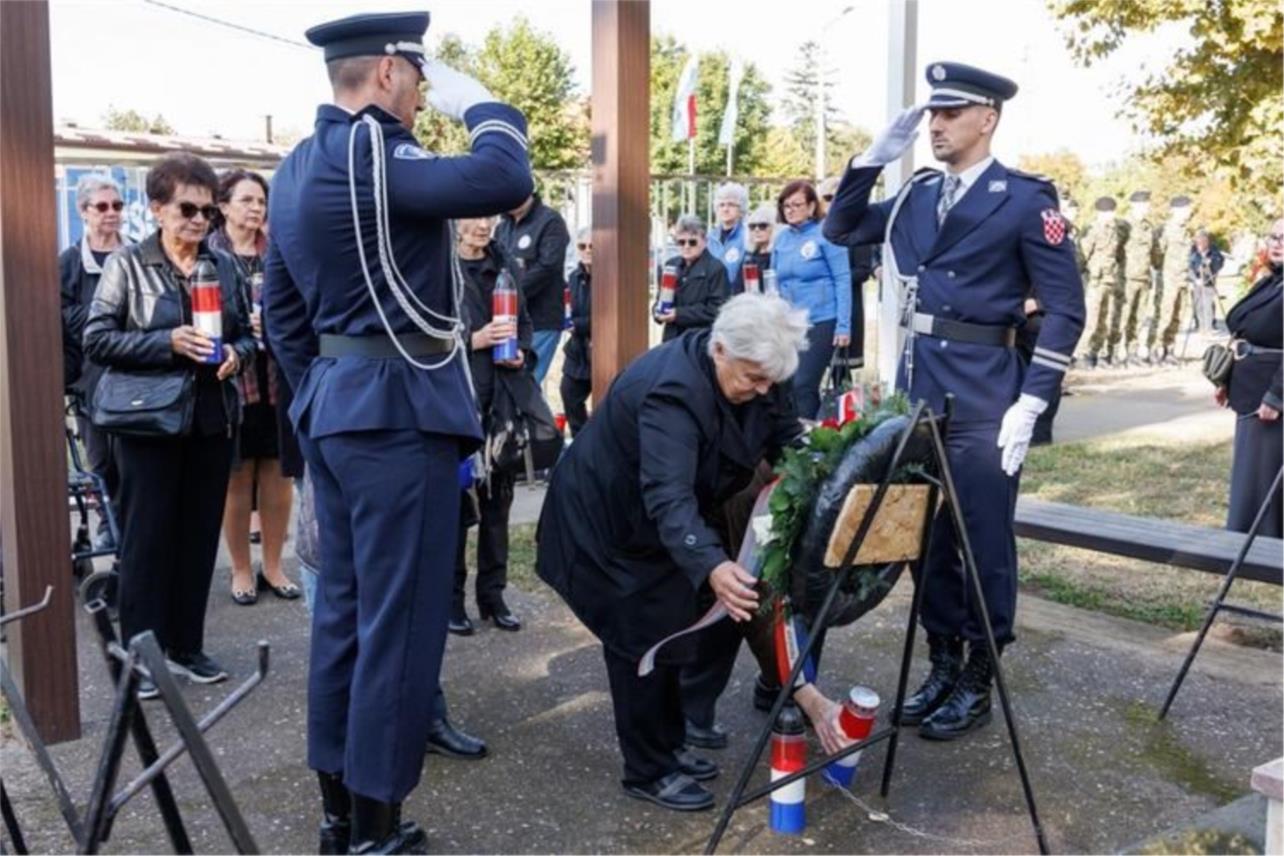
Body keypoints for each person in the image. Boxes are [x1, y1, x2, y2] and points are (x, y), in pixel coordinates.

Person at [261, 12, 532, 853]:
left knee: (342, 617)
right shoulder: (376, 154)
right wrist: (485, 103)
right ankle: (376, 825)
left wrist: (329, 394)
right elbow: (502, 174)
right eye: (417, 78)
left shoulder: (297, 165)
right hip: (396, 415)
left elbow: (281, 309)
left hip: (342, 410)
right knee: (399, 624)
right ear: (386, 73)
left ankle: (339, 814)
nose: (421, 96)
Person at [824, 62, 1084, 740]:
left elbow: (1064, 311)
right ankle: (941, 655)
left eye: (951, 113)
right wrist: (869, 162)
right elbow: (840, 230)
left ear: (986, 118)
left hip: (986, 395)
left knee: (982, 540)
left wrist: (1032, 400)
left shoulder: (1025, 199)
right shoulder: (915, 194)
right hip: (921, 393)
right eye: (932, 114)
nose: (935, 125)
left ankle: (979, 667)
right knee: (926, 538)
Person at [537, 294, 808, 811]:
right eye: (752, 378)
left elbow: (785, 437)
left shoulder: (765, 368)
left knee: (674, 622)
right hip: (608, 526)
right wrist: (711, 563)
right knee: (639, 638)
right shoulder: (673, 391)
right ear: (720, 350)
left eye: (771, 379)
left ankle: (670, 743)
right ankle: (648, 769)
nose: (764, 390)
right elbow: (669, 495)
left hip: (660, 526)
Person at [84, 153, 257, 698]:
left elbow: (250, 336)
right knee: (147, 541)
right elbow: (97, 338)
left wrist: (238, 353)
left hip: (210, 419)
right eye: (187, 208)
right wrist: (166, 342)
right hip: (148, 424)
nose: (199, 220)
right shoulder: (128, 265)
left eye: (207, 211)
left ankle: (186, 645)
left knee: (197, 537)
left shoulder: (223, 265)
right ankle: (141, 655)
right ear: (157, 207)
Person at [208, 168, 299, 606]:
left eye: (261, 201)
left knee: (279, 475)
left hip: (278, 377)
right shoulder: (209, 255)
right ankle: (241, 569)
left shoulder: (279, 251)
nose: (256, 208)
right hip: (231, 379)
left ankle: (276, 565)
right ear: (223, 206)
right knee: (236, 477)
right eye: (246, 200)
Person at [452, 216, 530, 634]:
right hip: (457, 404)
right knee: (453, 508)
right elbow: (424, 335)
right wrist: (473, 340)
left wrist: (522, 354)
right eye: (474, 217)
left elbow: (528, 328)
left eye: (489, 218)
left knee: (498, 503)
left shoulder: (506, 268)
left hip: (502, 403)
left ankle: (493, 596)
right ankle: (450, 600)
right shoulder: (441, 268)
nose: (482, 225)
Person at [60, 174, 128, 549]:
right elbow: (64, 316)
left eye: (117, 206)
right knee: (101, 463)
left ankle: (131, 528)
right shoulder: (69, 263)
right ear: (84, 211)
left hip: (138, 377)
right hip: (91, 382)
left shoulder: (136, 254)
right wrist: (109, 316)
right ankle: (109, 524)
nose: (111, 213)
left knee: (136, 460)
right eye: (102, 206)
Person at [1218, 217, 1283, 538]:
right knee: (1250, 473)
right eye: (1273, 236)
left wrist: (1277, 396)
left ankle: (1263, 546)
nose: (1277, 243)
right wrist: (1226, 379)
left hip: (1271, 394)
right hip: (1249, 387)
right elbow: (1240, 325)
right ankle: (1245, 538)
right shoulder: (1271, 281)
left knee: (1262, 476)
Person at [772, 180, 852, 419]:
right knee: (786, 385)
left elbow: (842, 279)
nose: (791, 210)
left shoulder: (827, 234)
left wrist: (844, 325)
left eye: (797, 204)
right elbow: (774, 280)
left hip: (821, 320)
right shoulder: (782, 239)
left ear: (810, 207)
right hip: (789, 323)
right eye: (786, 205)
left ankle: (809, 443)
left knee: (803, 384)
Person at [496, 193, 570, 385]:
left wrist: (512, 295)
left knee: (527, 384)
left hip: (541, 320)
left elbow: (548, 267)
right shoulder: (502, 227)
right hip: (508, 321)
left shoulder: (550, 221)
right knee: (507, 384)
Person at [820, 176, 877, 369]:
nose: (832, 203)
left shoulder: (856, 229)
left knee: (840, 372)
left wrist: (835, 280)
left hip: (847, 304)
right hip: (819, 308)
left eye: (837, 198)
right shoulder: (815, 231)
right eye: (827, 198)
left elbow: (863, 270)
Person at [656, 215, 728, 342]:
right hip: (671, 338)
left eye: (692, 242)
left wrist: (678, 314)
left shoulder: (716, 268)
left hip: (698, 340)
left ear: (705, 241)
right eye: (681, 242)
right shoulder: (670, 265)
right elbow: (660, 299)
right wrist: (657, 312)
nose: (686, 246)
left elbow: (717, 309)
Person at [1077, 196, 1127, 368]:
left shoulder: (1117, 230)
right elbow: (1081, 255)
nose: (1111, 215)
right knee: (1091, 319)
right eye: (1107, 212)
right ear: (1100, 213)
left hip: (1110, 279)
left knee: (1104, 319)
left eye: (1112, 212)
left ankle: (1095, 352)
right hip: (1094, 280)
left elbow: (1119, 254)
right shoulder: (1091, 229)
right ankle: (1081, 353)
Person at [1151, 195, 1194, 364]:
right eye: (1186, 209)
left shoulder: (1186, 231)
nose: (1189, 212)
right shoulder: (1166, 230)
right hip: (1169, 278)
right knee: (1163, 314)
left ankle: (1169, 349)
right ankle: (1155, 348)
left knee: (1178, 315)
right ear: (1176, 210)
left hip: (1182, 278)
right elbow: (1157, 255)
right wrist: (1163, 272)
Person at [1120, 190, 1161, 365]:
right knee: (1122, 317)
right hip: (1127, 277)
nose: (1146, 207)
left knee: (1139, 317)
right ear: (1133, 205)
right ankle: (1112, 353)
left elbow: (1154, 254)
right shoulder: (1124, 225)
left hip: (1144, 277)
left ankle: (1132, 352)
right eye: (1143, 204)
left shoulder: (1148, 227)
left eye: (1147, 204)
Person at [560, 226, 592, 436]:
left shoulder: (609, 276)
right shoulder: (574, 277)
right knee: (568, 393)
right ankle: (580, 440)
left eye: (593, 246)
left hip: (600, 349)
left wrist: (577, 324)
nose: (588, 250)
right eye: (583, 246)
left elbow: (606, 316)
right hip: (577, 350)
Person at [707, 182, 749, 292]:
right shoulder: (709, 238)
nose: (725, 209)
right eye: (721, 205)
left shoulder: (747, 236)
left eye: (731, 204)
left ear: (741, 209)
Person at [1189, 228, 1225, 332]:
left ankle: (1208, 327)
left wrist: (1211, 263)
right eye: (1199, 240)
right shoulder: (1192, 251)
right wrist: (1194, 279)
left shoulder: (1213, 250)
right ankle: (1200, 325)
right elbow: (1188, 266)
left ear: (1207, 241)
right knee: (1198, 304)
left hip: (1209, 280)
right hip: (1196, 282)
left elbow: (1220, 261)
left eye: (1204, 240)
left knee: (1208, 304)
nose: (1201, 243)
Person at [742, 204, 776, 286]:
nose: (756, 230)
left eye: (762, 226)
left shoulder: (777, 256)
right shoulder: (748, 257)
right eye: (752, 226)